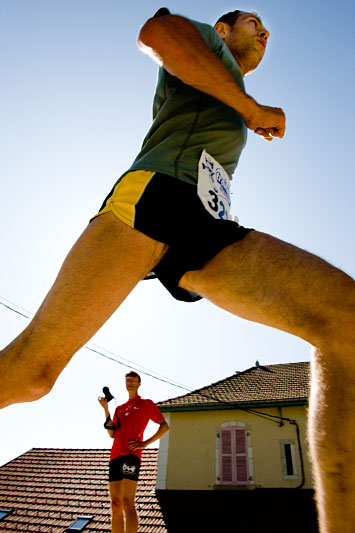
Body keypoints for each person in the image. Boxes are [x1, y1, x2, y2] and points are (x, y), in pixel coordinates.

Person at [0, 7, 354, 532]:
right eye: (253, 21)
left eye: (267, 28)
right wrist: (248, 106)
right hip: (156, 198)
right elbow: (156, 32)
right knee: (32, 375)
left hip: (210, 231)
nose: (265, 31)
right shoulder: (207, 47)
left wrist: (243, 107)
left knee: (345, 318)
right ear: (224, 29)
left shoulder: (226, 86)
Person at [98, 371, 169, 533]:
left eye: (133, 380)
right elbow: (112, 434)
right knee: (115, 504)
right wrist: (106, 410)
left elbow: (164, 426)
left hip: (131, 455)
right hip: (114, 456)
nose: (129, 383)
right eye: (127, 380)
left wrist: (144, 444)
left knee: (127, 501)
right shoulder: (120, 408)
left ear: (139, 383)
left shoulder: (146, 403)